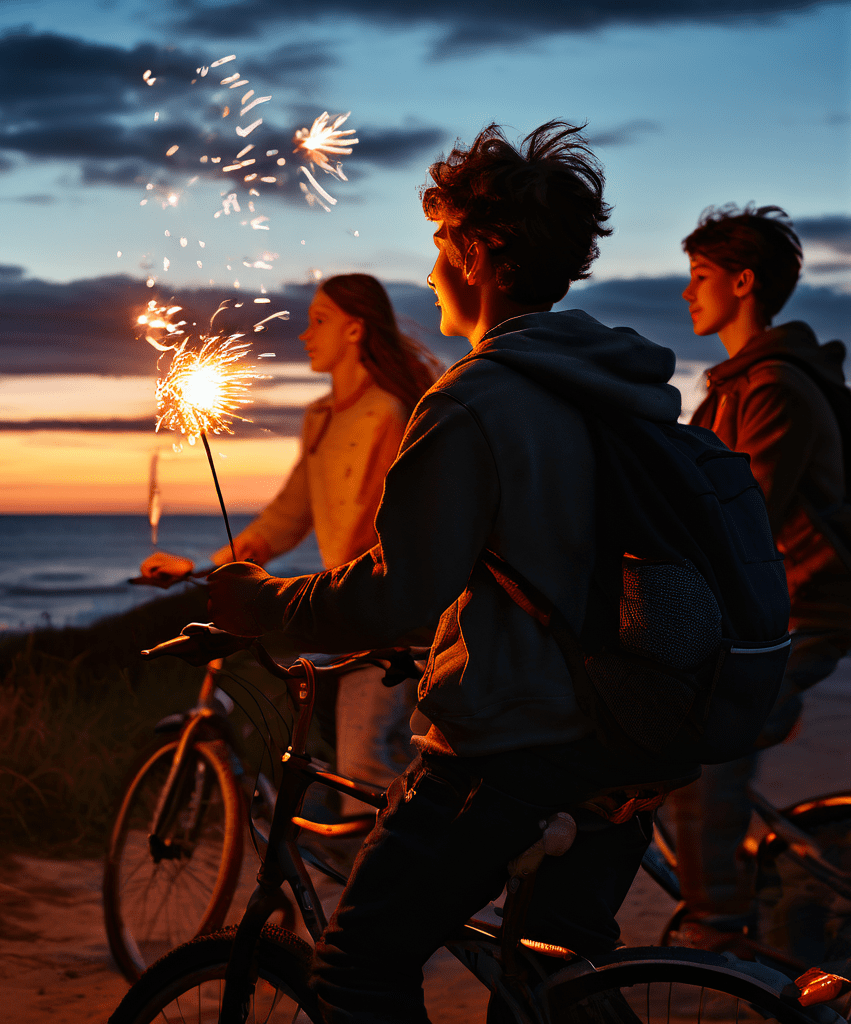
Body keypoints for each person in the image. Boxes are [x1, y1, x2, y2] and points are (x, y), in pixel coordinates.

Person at [207, 122, 701, 1024]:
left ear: (476, 254)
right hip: (629, 731)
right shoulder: (616, 389)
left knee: (356, 966)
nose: (430, 269)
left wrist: (262, 606)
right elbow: (552, 555)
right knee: (550, 981)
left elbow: (399, 588)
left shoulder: (474, 400)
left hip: (515, 745)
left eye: (440, 244)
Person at [145, 274, 440, 812]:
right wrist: (214, 567)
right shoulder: (321, 418)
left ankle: (392, 887)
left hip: (389, 616)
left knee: (365, 767)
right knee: (328, 760)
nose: (305, 335)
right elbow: (289, 514)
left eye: (319, 321)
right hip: (347, 611)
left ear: (355, 330)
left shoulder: (394, 412)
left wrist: (294, 598)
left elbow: (378, 533)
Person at [670, 205, 851, 941]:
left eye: (700, 276)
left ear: (742, 283)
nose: (687, 294)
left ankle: (719, 918)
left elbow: (747, 521)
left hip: (804, 609)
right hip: (762, 605)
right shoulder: (729, 390)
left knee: (707, 745)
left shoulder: (775, 388)